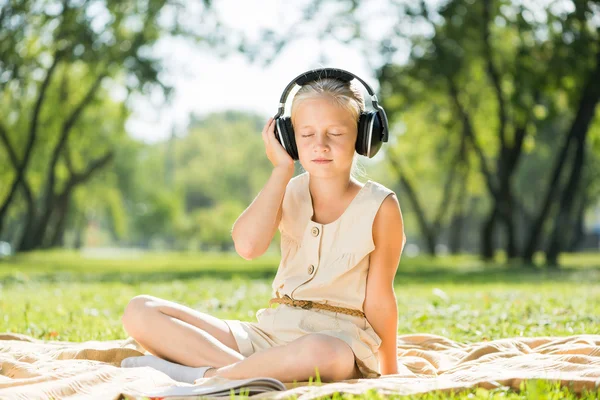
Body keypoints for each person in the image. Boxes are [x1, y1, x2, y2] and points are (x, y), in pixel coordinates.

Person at [120, 69, 406, 384]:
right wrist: (281, 170)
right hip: (269, 332)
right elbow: (247, 247)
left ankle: (208, 375)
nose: (319, 145)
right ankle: (235, 375)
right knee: (140, 310)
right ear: (289, 138)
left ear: (364, 136)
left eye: (335, 133)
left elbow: (380, 297)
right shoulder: (286, 189)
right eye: (306, 134)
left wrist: (390, 371)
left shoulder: (380, 206)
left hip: (338, 341)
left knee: (325, 352)